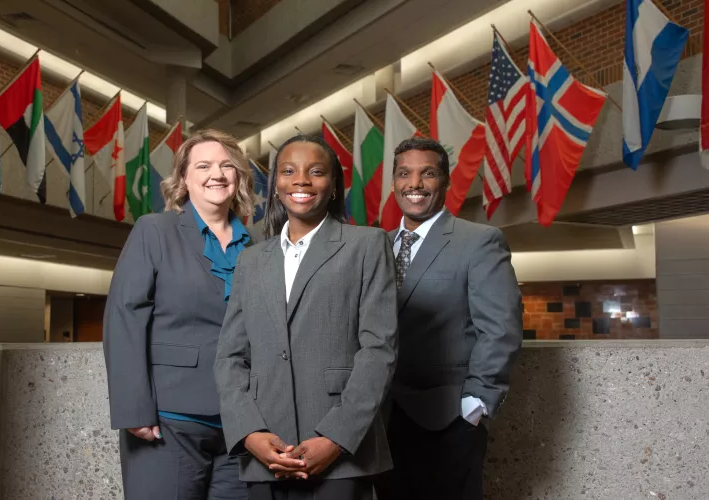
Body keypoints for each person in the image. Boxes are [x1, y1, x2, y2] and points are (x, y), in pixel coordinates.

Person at [214, 135, 398, 500]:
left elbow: (379, 351)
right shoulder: (251, 260)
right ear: (276, 187)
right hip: (267, 448)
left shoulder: (368, 245)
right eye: (288, 171)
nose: (301, 180)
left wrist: (337, 437)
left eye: (316, 172)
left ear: (332, 187)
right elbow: (230, 357)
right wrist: (249, 432)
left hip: (341, 450)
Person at [103, 129, 256, 500]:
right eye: (203, 165)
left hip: (244, 423)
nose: (216, 174)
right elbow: (124, 317)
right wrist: (133, 408)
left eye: (226, 165)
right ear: (184, 178)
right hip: (170, 418)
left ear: (238, 177)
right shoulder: (154, 230)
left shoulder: (260, 245)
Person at [373, 137, 523, 500]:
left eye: (428, 174)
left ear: (446, 181)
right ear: (393, 183)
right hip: (380, 419)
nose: (415, 184)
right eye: (405, 174)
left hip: (447, 419)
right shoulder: (376, 245)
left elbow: (501, 328)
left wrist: (476, 404)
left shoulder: (479, 241)